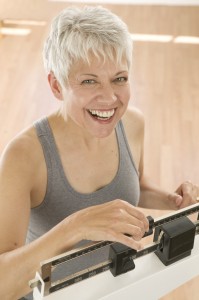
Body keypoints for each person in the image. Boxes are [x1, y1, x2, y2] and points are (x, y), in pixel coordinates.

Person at [0, 6, 198, 300]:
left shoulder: (132, 123)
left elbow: (137, 187)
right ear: (57, 85)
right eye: (89, 81)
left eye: (119, 78)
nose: (109, 98)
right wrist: (75, 227)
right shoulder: (24, 155)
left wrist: (170, 200)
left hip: (116, 285)